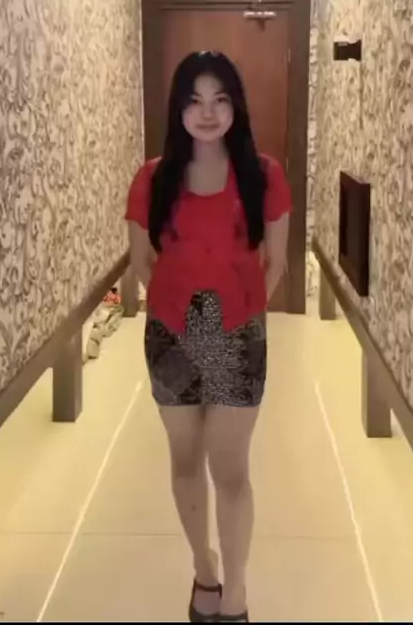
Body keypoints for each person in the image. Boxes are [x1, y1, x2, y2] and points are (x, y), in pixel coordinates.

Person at [125, 50, 292, 623]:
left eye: (220, 99)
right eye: (194, 100)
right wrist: (179, 310)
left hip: (235, 334)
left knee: (232, 471)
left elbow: (276, 262)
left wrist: (239, 316)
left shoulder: (263, 175)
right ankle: (205, 569)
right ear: (178, 109)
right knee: (184, 461)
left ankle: (236, 591)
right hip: (171, 334)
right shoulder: (152, 178)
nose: (208, 112)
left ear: (235, 106)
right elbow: (142, 260)